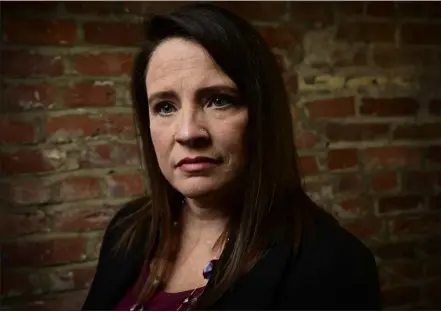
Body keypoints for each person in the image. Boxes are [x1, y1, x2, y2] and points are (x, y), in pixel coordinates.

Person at [82, 3, 381, 311]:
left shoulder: (332, 265)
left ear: (262, 114)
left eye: (219, 100)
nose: (188, 132)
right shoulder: (128, 230)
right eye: (165, 107)